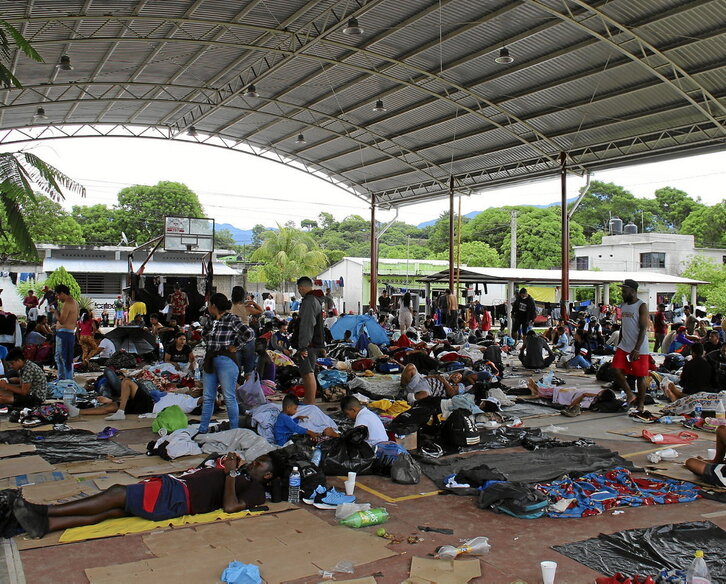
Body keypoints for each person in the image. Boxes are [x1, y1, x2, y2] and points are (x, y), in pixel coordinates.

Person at [11, 453, 277, 539]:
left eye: (260, 464)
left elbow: (230, 508)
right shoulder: (242, 473)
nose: (254, 463)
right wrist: (223, 464)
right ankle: (45, 525)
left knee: (116, 493)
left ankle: (45, 511)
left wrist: (230, 474)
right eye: (256, 460)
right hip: (175, 489)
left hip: (177, 498)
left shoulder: (254, 491)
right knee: (112, 511)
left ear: (267, 476)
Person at [197, 293, 253, 434]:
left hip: (226, 359)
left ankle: (234, 430)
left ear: (214, 306)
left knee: (229, 397)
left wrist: (236, 346)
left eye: (210, 304)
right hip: (210, 359)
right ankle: (203, 429)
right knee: (209, 397)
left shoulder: (232, 319)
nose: (208, 307)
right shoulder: (210, 321)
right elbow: (204, 335)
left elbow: (249, 333)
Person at [611, 279, 650, 411]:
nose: (622, 293)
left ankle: (640, 404)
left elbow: (644, 328)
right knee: (615, 369)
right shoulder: (624, 305)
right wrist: (619, 343)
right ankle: (629, 394)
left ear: (633, 291)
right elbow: (624, 326)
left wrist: (637, 349)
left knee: (640, 376)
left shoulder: (641, 305)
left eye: (624, 291)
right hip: (624, 345)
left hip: (639, 348)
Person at [295, 277, 324, 405]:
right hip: (313, 343)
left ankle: (310, 402)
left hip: (309, 344)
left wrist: (303, 346)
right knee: (309, 372)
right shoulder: (316, 299)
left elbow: (307, 325)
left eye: (298, 288)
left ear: (301, 287)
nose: (299, 291)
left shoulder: (309, 301)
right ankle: (309, 400)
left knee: (308, 373)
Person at [231, 286, 262, 380]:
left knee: (236, 368)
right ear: (243, 296)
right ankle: (247, 390)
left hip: (234, 338)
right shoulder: (247, 308)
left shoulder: (228, 307)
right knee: (249, 369)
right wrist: (253, 302)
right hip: (248, 337)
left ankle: (236, 390)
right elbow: (261, 311)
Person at [51, 284, 79, 381]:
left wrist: (55, 312)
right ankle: (65, 378)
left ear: (62, 294)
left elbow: (62, 321)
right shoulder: (74, 302)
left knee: (61, 357)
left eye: (58, 295)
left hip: (64, 334)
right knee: (65, 357)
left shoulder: (67, 303)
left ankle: (65, 379)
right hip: (68, 333)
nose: (58, 298)